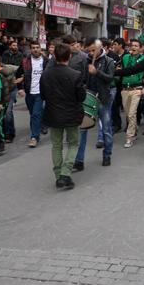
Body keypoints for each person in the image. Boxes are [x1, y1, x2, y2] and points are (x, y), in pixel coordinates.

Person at [40, 43, 86, 190]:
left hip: (53, 113)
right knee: (73, 143)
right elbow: (81, 97)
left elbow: (43, 95)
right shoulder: (75, 75)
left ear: (54, 56)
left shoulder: (46, 74)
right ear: (69, 56)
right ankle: (66, 173)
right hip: (71, 114)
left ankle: (58, 174)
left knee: (57, 145)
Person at [74, 40, 115, 170]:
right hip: (87, 98)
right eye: (89, 51)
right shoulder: (85, 61)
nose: (91, 53)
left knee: (106, 129)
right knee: (82, 129)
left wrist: (96, 72)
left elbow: (110, 78)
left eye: (94, 50)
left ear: (100, 48)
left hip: (103, 99)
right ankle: (79, 160)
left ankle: (107, 154)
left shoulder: (108, 61)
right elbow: (82, 79)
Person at [15, 40, 48, 148]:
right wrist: (20, 88)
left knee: (35, 114)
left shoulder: (46, 61)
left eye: (37, 47)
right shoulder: (25, 61)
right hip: (29, 92)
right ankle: (38, 128)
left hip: (40, 92)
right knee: (33, 115)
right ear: (30, 49)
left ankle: (34, 137)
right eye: (33, 48)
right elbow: (18, 74)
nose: (35, 49)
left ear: (40, 49)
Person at [119, 40, 144, 148]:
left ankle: (129, 137)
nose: (134, 47)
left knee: (132, 113)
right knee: (128, 114)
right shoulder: (125, 58)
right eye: (132, 46)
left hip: (137, 88)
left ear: (140, 48)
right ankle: (134, 128)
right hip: (125, 88)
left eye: (136, 46)